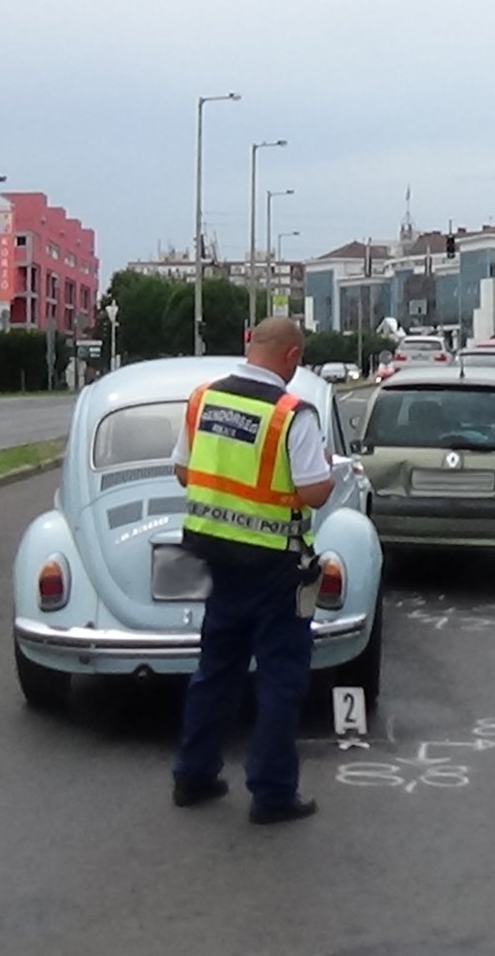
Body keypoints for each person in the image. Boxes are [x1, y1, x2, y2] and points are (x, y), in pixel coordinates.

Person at [169, 317, 335, 825]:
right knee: (280, 679)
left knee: (215, 670)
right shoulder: (291, 414)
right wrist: (323, 466)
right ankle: (272, 793)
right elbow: (314, 490)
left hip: (218, 556)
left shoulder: (204, 400)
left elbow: (183, 470)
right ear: (291, 356)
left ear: (251, 345)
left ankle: (193, 776)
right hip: (274, 566)